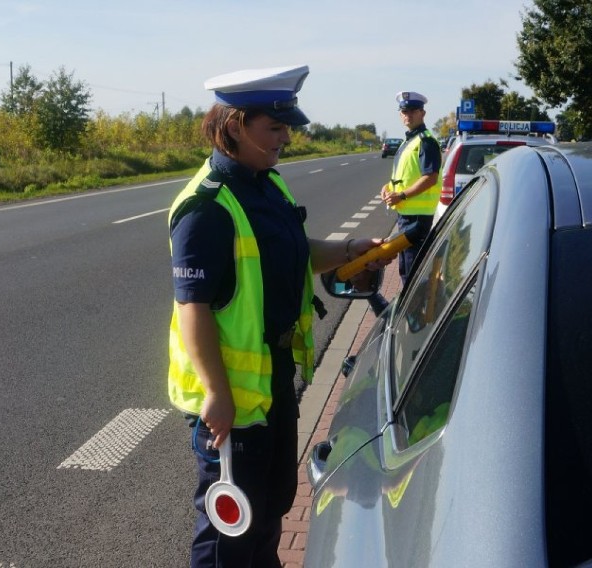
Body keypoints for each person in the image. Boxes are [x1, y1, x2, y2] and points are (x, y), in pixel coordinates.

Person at [167, 64, 384, 568]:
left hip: (273, 383)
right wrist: (217, 392)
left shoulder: (268, 185)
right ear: (236, 124)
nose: (286, 137)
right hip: (233, 404)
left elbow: (296, 251)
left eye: (288, 127)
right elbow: (191, 307)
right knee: (229, 533)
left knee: (271, 507)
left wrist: (352, 248)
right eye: (275, 128)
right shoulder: (206, 209)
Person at [380, 91, 443, 283]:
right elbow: (405, 176)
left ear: (422, 113)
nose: (408, 115)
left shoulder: (425, 142)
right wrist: (387, 187)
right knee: (406, 269)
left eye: (413, 111)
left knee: (412, 274)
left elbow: (430, 178)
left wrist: (402, 196)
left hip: (417, 219)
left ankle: (415, 312)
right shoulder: (408, 141)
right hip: (407, 215)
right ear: (400, 115)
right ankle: (414, 310)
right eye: (404, 111)